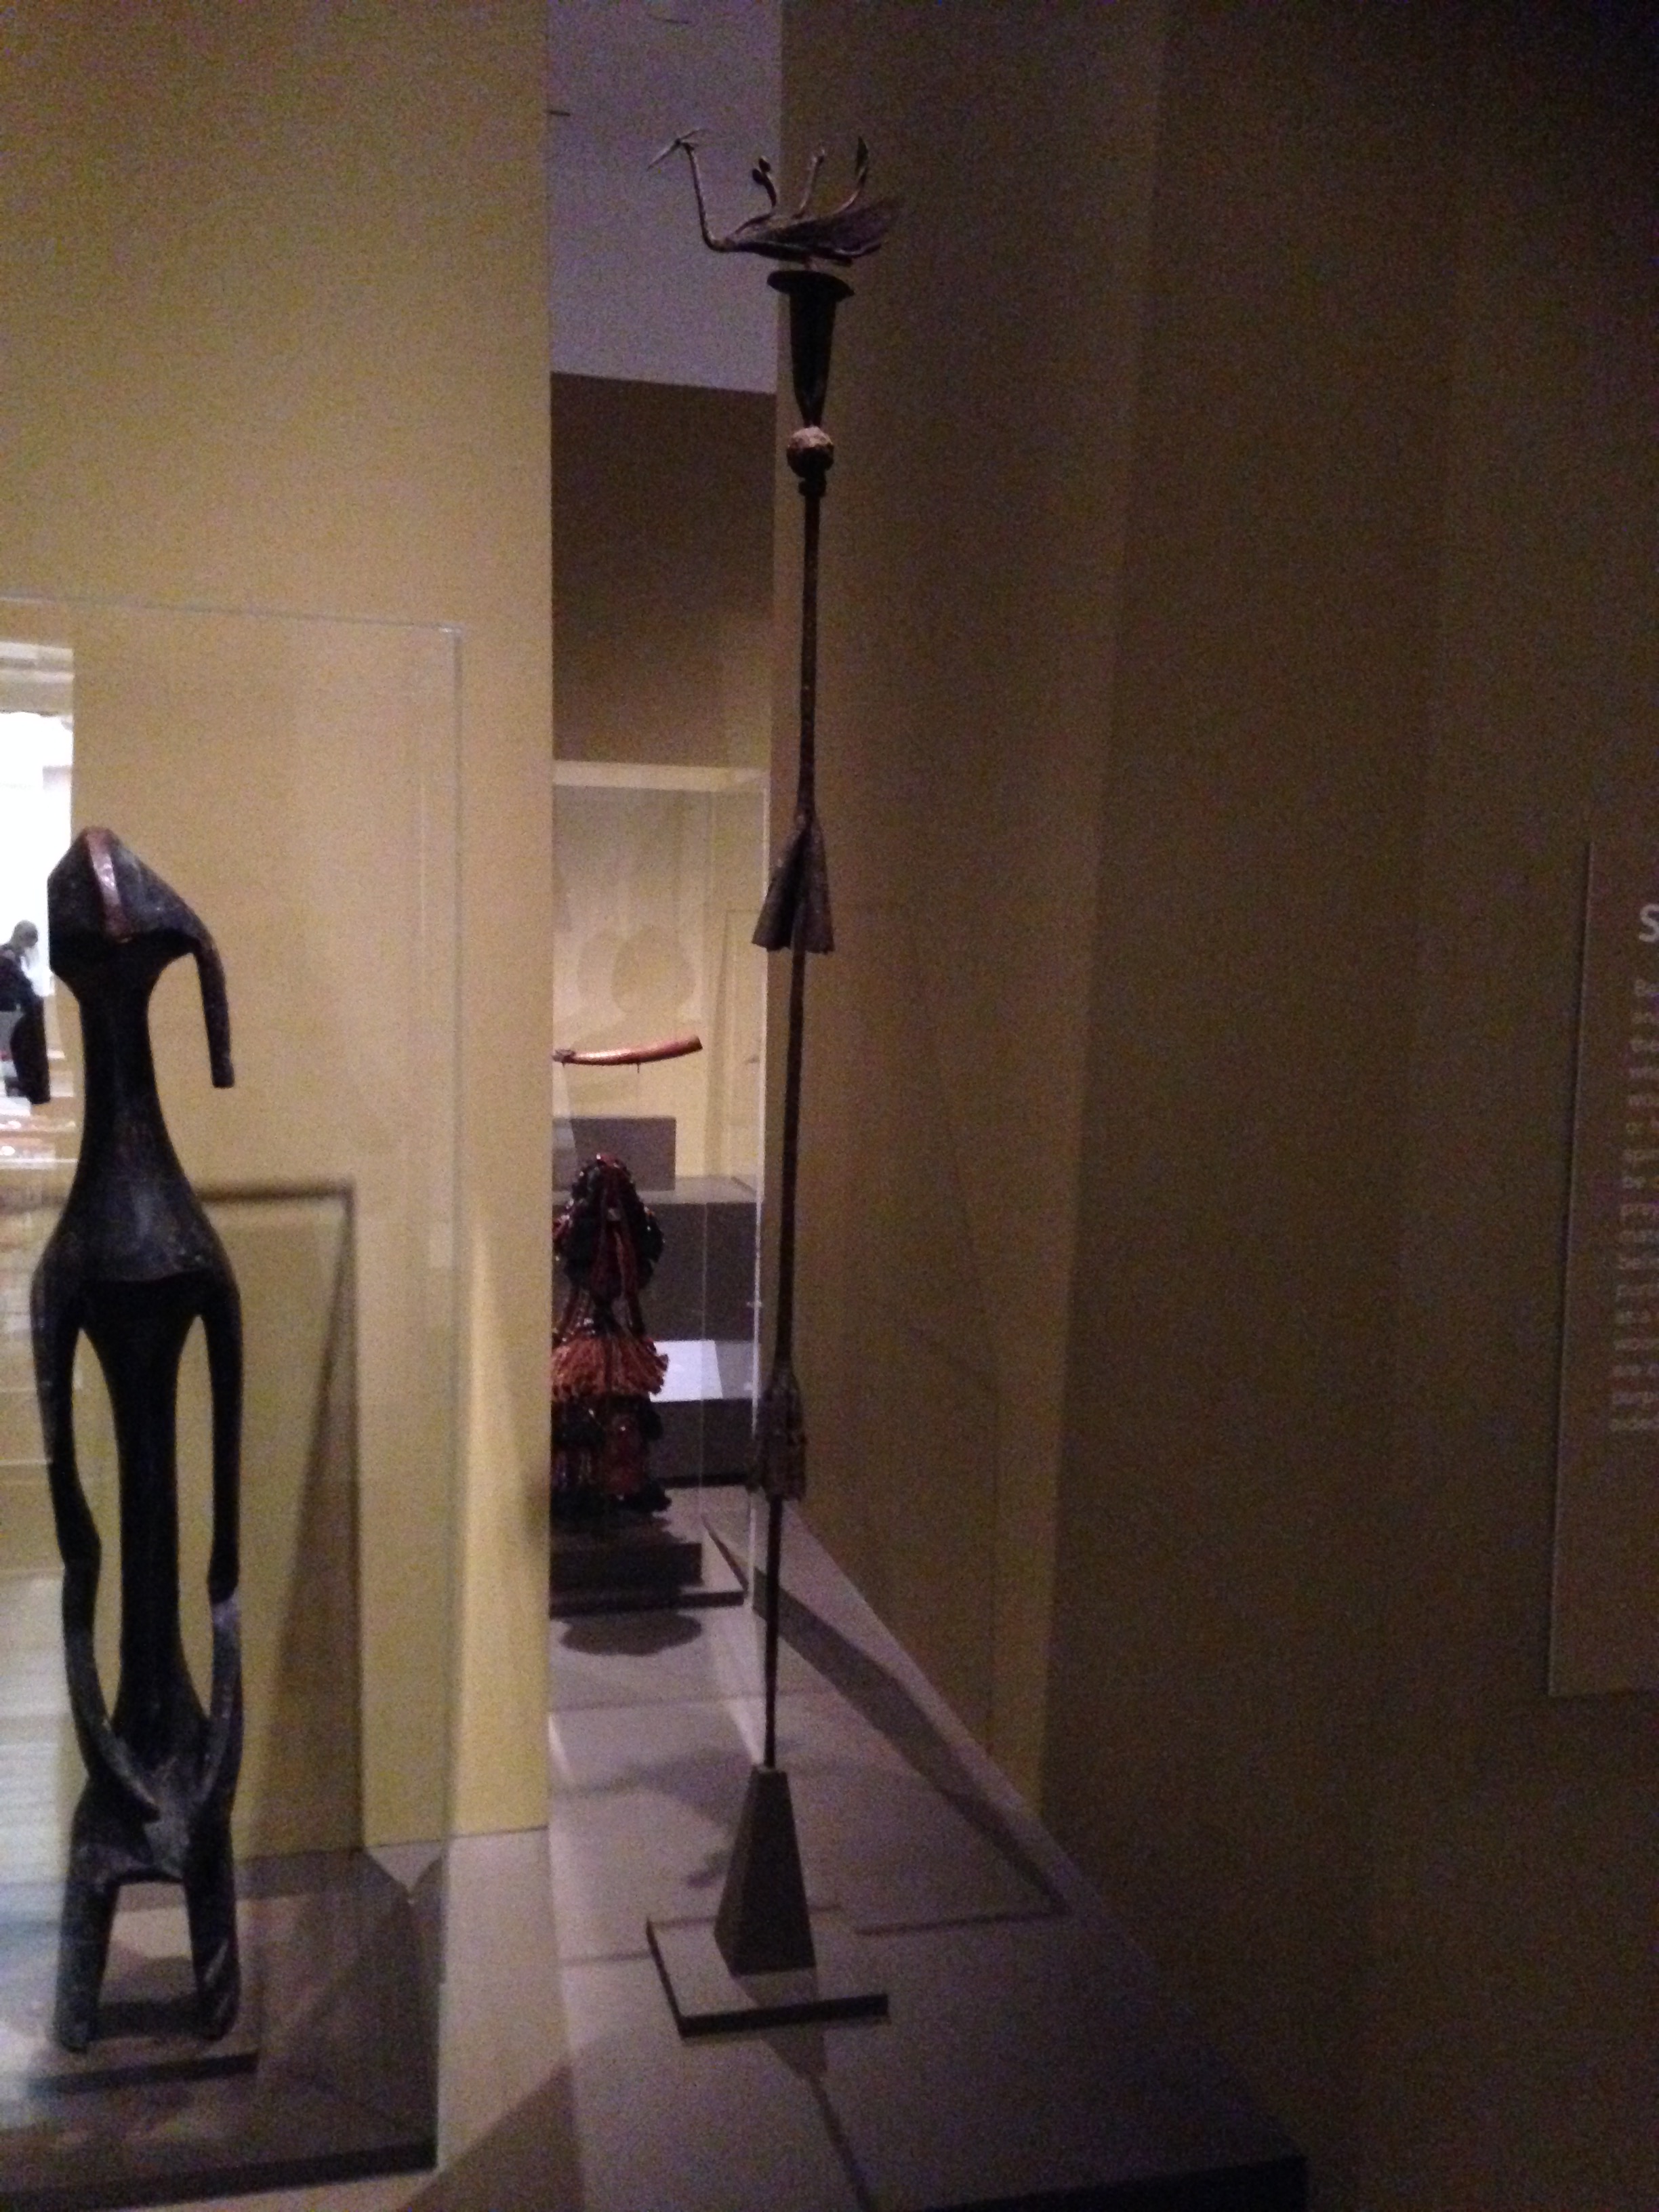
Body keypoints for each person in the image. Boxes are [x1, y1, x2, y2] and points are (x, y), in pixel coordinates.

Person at [0, 919, 49, 1103]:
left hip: (12, 1016)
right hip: (11, 1017)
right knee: (21, 1055)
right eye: (31, 944)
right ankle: (27, 1091)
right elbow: (20, 988)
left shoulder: (9, 956)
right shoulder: (7, 958)